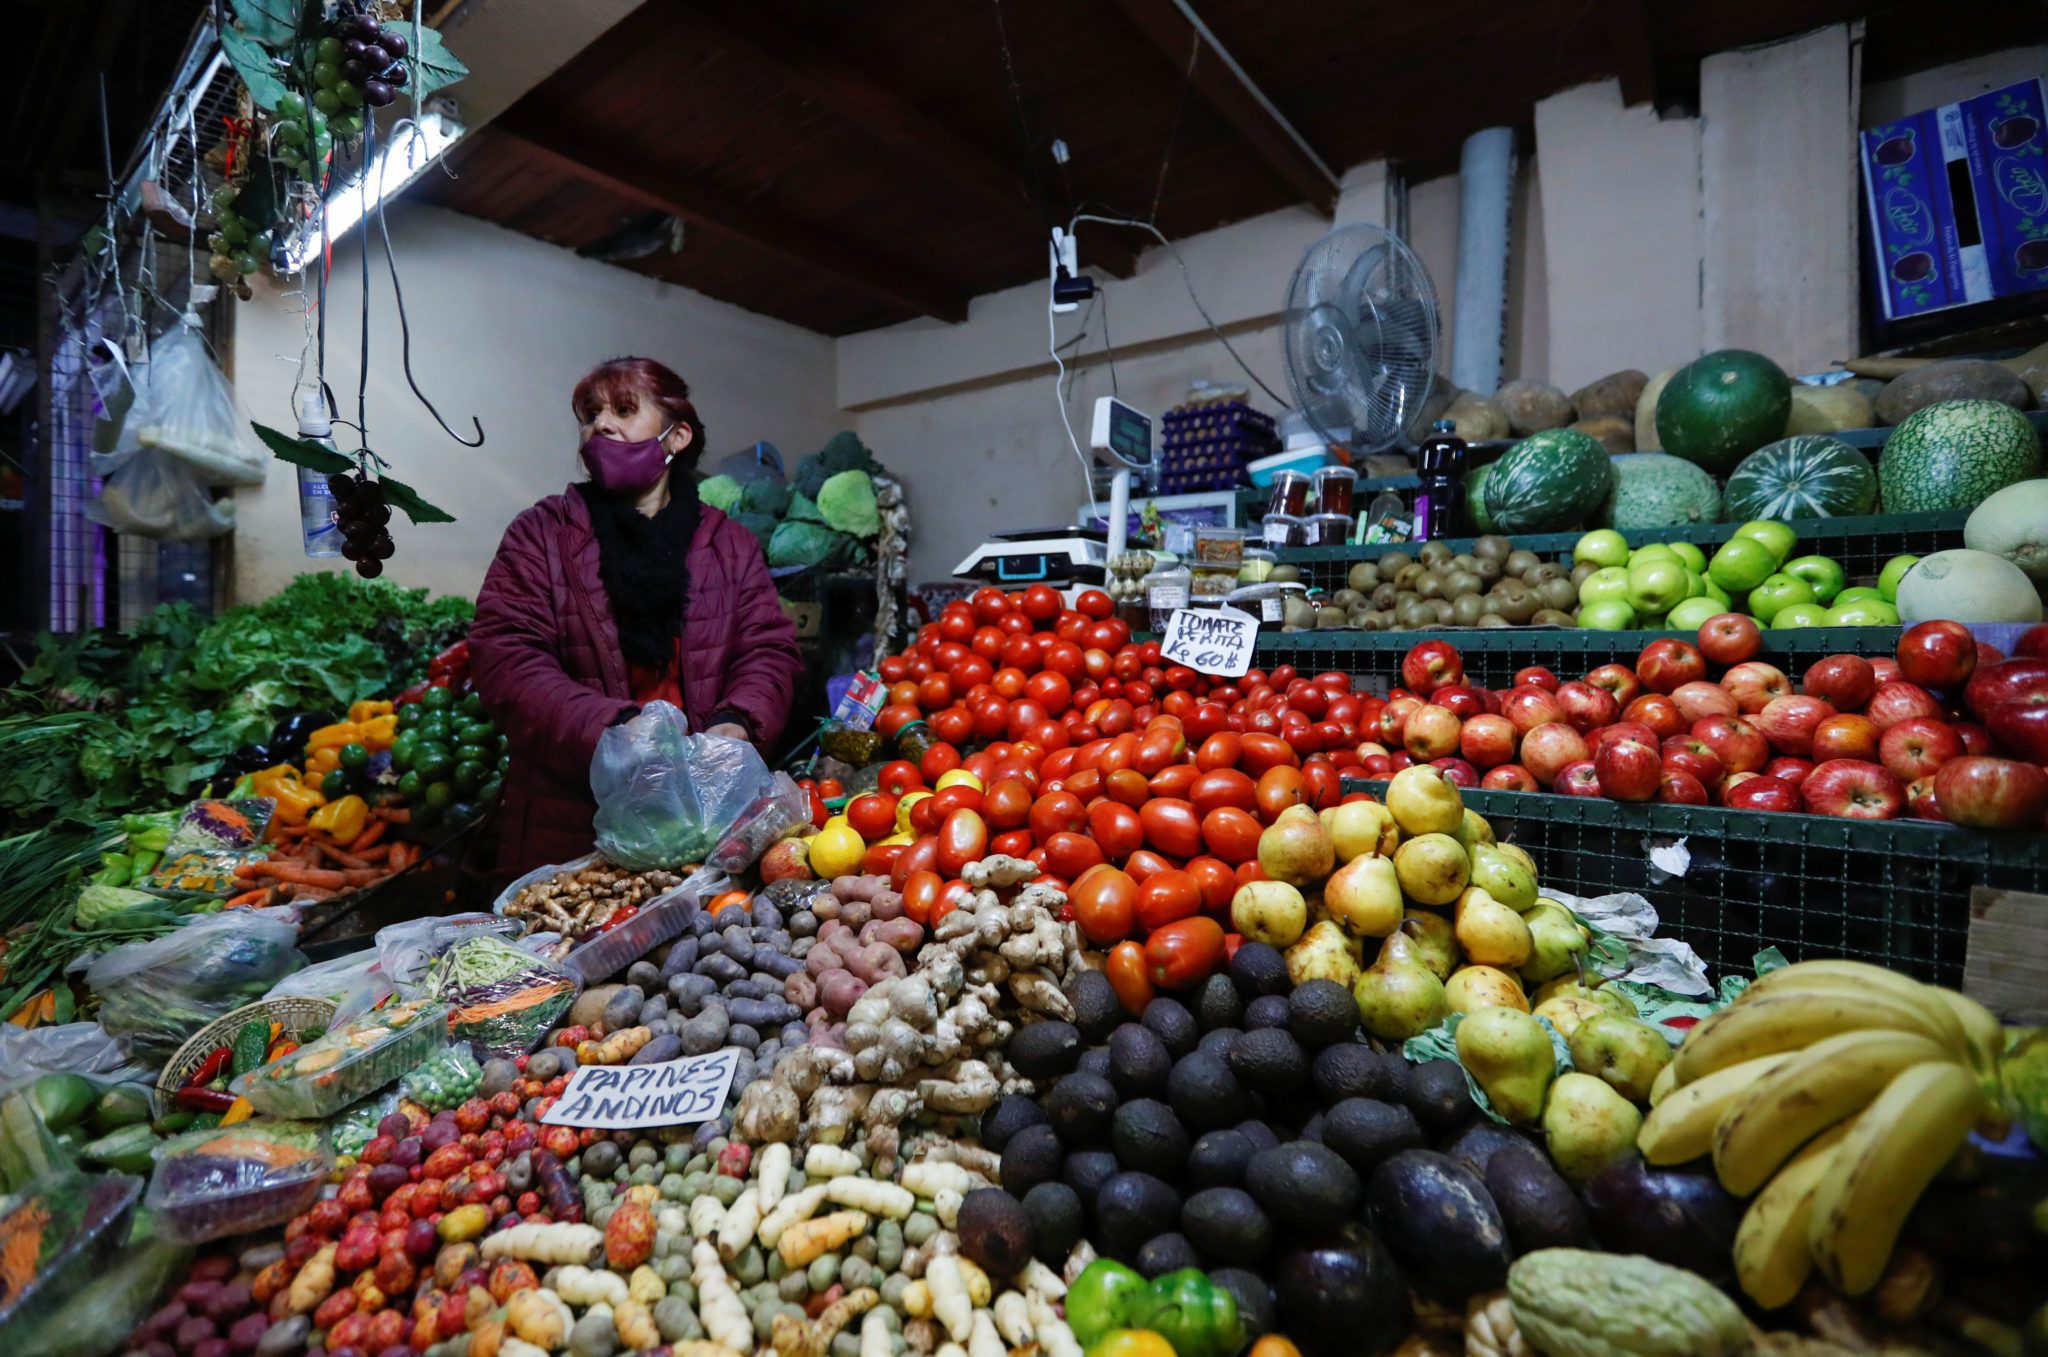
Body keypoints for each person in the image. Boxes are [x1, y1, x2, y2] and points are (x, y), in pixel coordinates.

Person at [472, 357, 803, 876]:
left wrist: (738, 722)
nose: (600, 425)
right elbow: (506, 658)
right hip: (574, 824)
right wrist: (614, 730)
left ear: (676, 437)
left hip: (705, 817)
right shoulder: (541, 534)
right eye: (589, 414)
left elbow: (769, 650)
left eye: (624, 410)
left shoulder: (730, 545)